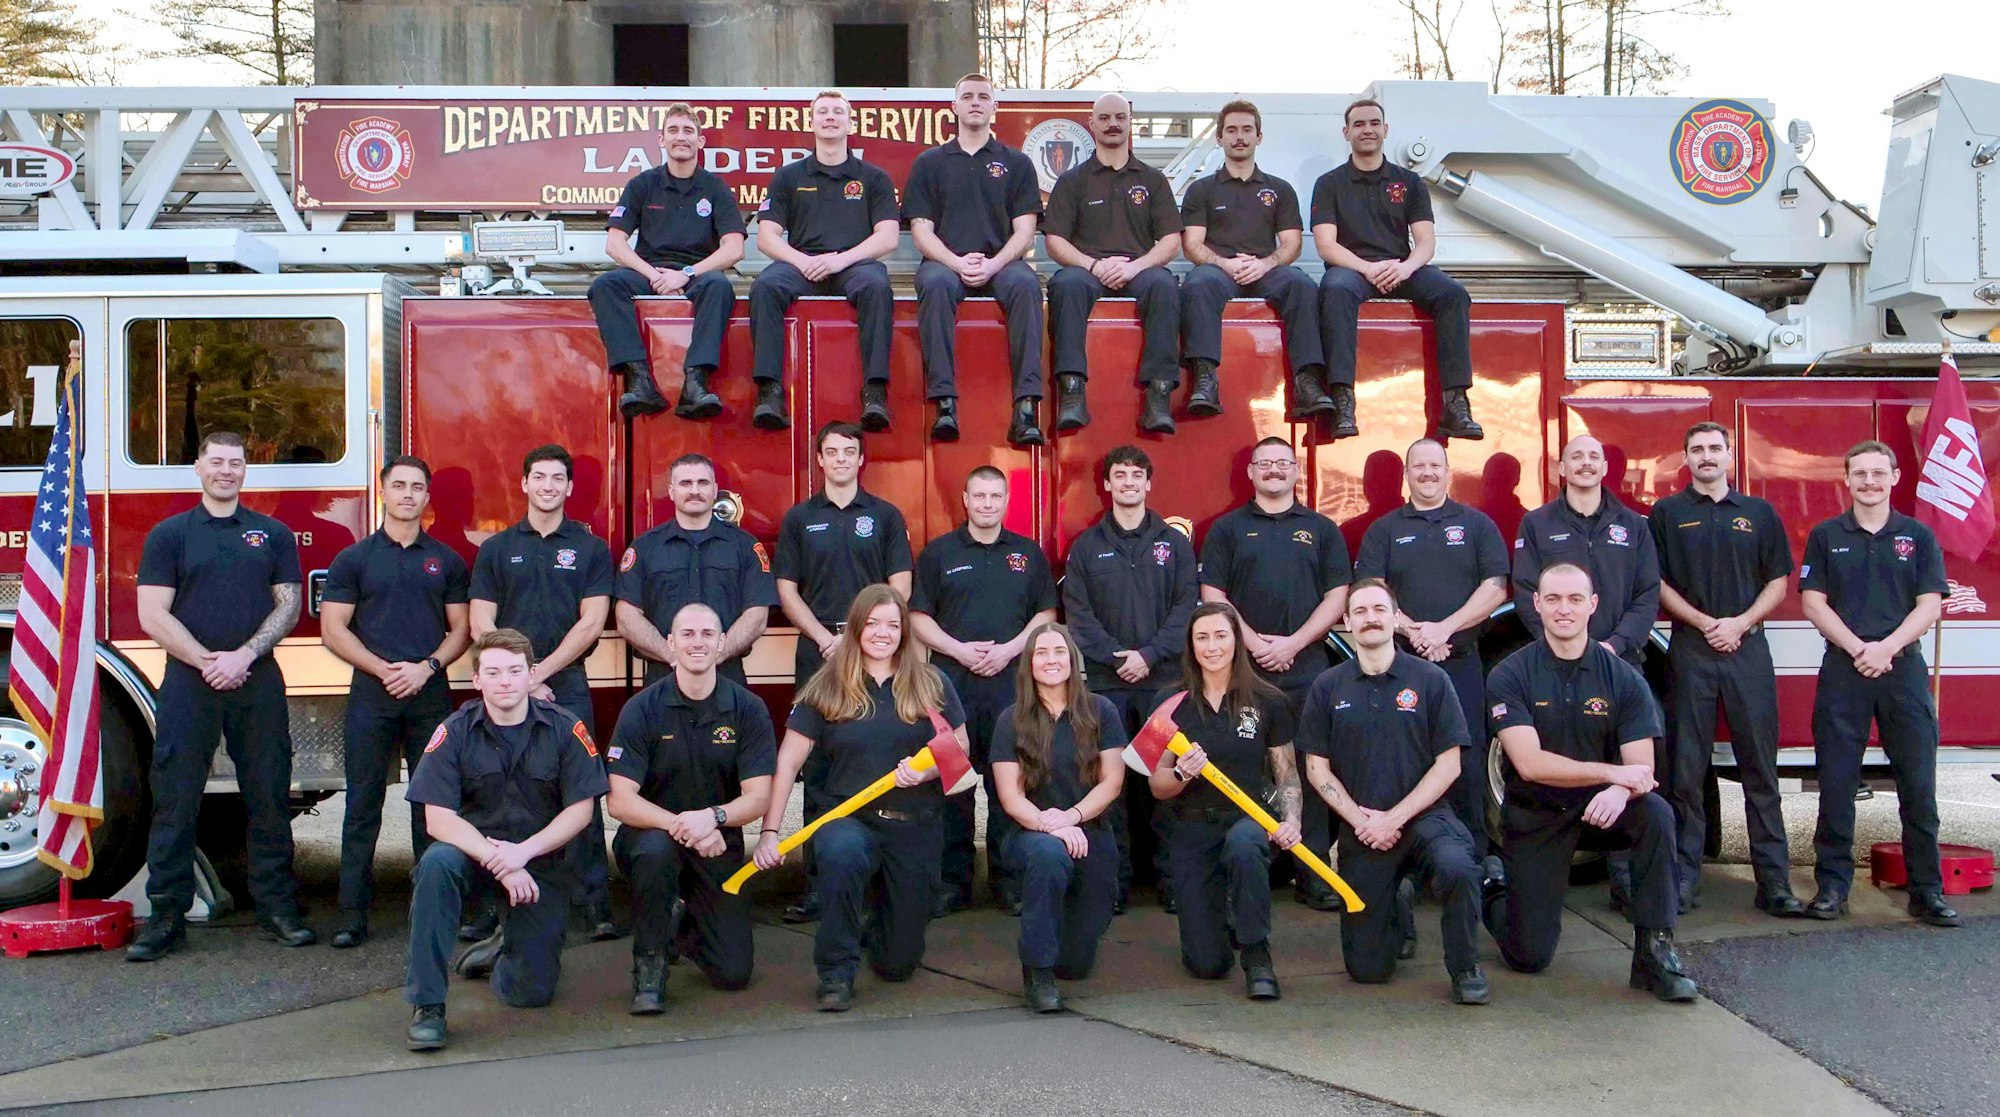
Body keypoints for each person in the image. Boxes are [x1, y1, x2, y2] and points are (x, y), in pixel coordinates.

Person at [128, 431, 315, 961]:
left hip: (256, 679)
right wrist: (206, 660)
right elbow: (152, 614)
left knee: (269, 795)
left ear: (245, 471)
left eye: (236, 463)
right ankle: (166, 915)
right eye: (217, 462)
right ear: (198, 468)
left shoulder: (271, 533)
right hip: (190, 682)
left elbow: (288, 606)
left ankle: (277, 908)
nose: (226, 471)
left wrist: (243, 657)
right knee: (175, 797)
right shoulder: (171, 535)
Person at [1482, 563, 1697, 1002]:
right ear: (1537, 604)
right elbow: (1529, 764)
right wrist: (1610, 774)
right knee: (1529, 957)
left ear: (1593, 605)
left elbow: (1641, 768)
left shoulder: (1623, 678)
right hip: (1536, 812)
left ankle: (1655, 954)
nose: (1565, 610)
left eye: (1575, 599)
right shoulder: (1510, 674)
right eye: (1554, 600)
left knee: (1656, 814)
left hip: (1601, 807)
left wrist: (1620, 788)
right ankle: (1495, 886)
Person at [753, 585, 970, 1013]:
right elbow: (789, 762)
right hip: (848, 820)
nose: (882, 633)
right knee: (841, 853)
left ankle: (875, 919)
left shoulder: (931, 683)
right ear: (855, 628)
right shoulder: (828, 684)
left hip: (913, 826)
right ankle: (836, 972)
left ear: (905, 632)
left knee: (897, 964)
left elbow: (960, 751)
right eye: (872, 624)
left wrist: (925, 771)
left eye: (892, 625)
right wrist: (770, 833)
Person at [401, 629, 608, 1051]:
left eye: (515, 671)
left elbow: (581, 811)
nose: (505, 681)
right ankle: (428, 1006)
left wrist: (523, 854)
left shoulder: (565, 728)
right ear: (477, 680)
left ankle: (503, 949)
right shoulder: (455, 731)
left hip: (537, 862)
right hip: (473, 857)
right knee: (437, 865)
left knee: (530, 993)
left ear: (532, 675)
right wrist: (499, 858)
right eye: (493, 672)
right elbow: (437, 818)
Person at [1298, 579, 1489, 1004]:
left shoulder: (1431, 679)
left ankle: (1465, 966)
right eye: (1360, 612)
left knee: (1458, 867)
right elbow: (1316, 767)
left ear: (1395, 619)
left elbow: (1450, 764)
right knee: (1368, 971)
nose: (1370, 618)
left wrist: (1394, 818)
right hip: (1362, 825)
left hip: (1424, 817)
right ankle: (1397, 900)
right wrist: (1362, 820)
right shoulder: (1327, 687)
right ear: (1346, 622)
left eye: (1380, 610)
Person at [1799, 441, 1959, 928]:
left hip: (1903, 671)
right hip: (1845, 670)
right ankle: (1832, 888)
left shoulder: (1918, 536)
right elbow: (1812, 602)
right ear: (1846, 480)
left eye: (1878, 473)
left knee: (1918, 785)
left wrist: (1886, 648)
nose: (1869, 482)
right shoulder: (1827, 535)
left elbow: (1930, 604)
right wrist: (1859, 649)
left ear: (1894, 478)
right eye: (1859, 474)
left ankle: (1926, 891)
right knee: (1837, 782)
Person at [319, 455, 472, 949]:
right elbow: (333, 628)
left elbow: (462, 629)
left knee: (433, 806)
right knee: (363, 805)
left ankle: (431, 911)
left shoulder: (446, 560)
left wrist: (426, 667)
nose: (409, 494)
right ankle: (351, 916)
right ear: (383, 492)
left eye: (417, 487)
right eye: (399, 485)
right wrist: (382, 669)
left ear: (428, 498)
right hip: (372, 693)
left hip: (429, 695)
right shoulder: (355, 559)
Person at [1648, 422, 1800, 917]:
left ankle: (1774, 882)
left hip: (1748, 652)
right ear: (1686, 459)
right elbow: (1657, 582)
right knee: (1686, 771)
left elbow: (1778, 580)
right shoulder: (1668, 514)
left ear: (1731, 456)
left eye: (1716, 448)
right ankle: (1685, 875)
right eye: (1698, 450)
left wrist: (1739, 623)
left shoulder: (1758, 513)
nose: (1707, 456)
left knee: (1760, 770)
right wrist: (1705, 623)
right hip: (1691, 651)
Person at [470, 443, 619, 942]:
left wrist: (541, 674)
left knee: (582, 790)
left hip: (567, 684)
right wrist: (516, 675)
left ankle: (592, 901)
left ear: (570, 488)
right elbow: (480, 620)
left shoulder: (593, 549)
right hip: (506, 686)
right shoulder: (496, 549)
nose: (548, 485)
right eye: (539, 477)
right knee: (499, 791)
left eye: (558, 478)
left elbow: (592, 622)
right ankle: (496, 900)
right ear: (524, 484)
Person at [1198, 435, 1349, 909]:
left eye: (1284, 463)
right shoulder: (1227, 530)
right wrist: (1254, 642)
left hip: (1307, 671)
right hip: (1246, 671)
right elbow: (1212, 591)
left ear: (1296, 471)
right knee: (1245, 766)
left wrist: (1294, 643)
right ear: (1251, 472)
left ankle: (1314, 875)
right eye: (1265, 463)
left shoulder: (1322, 529)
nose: (1275, 470)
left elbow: (1338, 596)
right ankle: (1249, 871)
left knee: (1312, 769)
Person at [773, 422, 914, 925]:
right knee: (819, 769)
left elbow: (900, 586)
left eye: (848, 452)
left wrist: (860, 637)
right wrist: (824, 639)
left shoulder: (884, 516)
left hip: (875, 651)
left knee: (879, 757)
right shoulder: (798, 518)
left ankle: (882, 880)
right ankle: (819, 884)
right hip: (819, 653)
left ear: (861, 460)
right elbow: (787, 589)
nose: (839, 459)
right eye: (830, 451)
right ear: (819, 459)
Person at [607, 604, 776, 1012]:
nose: (697, 642)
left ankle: (682, 919)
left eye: (706, 634)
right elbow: (619, 800)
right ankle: (649, 966)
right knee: (655, 853)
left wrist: (713, 818)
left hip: (718, 842)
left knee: (732, 973)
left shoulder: (748, 709)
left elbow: (758, 797)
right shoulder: (641, 709)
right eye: (687, 634)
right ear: (670, 643)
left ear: (722, 643)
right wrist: (684, 825)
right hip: (651, 837)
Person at [911, 466, 1058, 914]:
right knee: (951, 783)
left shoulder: (1028, 555)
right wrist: (958, 650)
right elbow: (918, 618)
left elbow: (1046, 614)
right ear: (966, 500)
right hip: (952, 688)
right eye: (980, 496)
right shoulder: (939, 553)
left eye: (996, 496)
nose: (988, 503)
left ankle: (1007, 881)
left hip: (1011, 689)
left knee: (1010, 781)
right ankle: (951, 882)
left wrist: (1011, 649)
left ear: (1007, 500)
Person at [1355, 438, 1510, 855]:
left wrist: (1445, 629)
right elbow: (1371, 591)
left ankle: (1470, 857)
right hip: (1399, 666)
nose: (1427, 473)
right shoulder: (1384, 530)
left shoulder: (1477, 525)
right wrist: (1414, 632)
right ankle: (1402, 860)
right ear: (1407, 474)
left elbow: (1495, 587)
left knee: (1465, 761)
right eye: (1418, 466)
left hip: (1460, 663)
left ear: (1447, 471)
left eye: (1434, 465)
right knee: (1400, 761)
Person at [1062, 445, 1199, 909]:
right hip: (1107, 689)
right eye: (1119, 475)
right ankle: (1113, 886)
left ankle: (1172, 884)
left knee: (1167, 784)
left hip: (1163, 686)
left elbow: (1186, 607)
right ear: (1107, 484)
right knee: (1110, 785)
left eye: (1136, 475)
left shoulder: (1174, 544)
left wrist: (1151, 653)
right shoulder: (1086, 546)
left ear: (1148, 483)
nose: (1127, 483)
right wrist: (1117, 658)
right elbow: (1077, 616)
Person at [1146, 602, 1301, 1000]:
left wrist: (1292, 820)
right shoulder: (1171, 703)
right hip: (1192, 828)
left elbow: (1286, 773)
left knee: (1246, 847)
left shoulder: (1269, 700)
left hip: (1246, 819)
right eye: (1202, 638)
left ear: (1236, 641)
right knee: (1207, 965)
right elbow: (1157, 785)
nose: (1211, 646)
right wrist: (1182, 773)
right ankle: (1225, 919)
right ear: (1191, 645)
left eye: (1220, 636)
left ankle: (1257, 954)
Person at [1310, 98, 1481, 441]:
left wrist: (1405, 269)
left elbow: (1426, 244)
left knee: (1452, 294)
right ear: (1346, 133)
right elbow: (1326, 245)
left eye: (1374, 123)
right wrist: (1367, 269)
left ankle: (1455, 404)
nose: (1367, 130)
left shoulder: (1410, 182)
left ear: (1385, 130)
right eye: (1358, 124)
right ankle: (1343, 399)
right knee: (1334, 290)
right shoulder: (1329, 183)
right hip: (1352, 269)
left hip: (1402, 267)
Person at [989, 622, 1127, 1012]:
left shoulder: (1102, 711)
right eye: (1042, 654)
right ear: (1029, 664)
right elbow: (1010, 796)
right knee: (1048, 857)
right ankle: (1038, 973)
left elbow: (1112, 781)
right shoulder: (1010, 719)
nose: (1051, 660)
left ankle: (1059, 954)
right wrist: (1052, 827)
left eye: (1059, 652)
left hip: (1089, 829)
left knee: (1077, 964)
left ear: (1073, 659)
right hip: (1030, 834)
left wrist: (1072, 817)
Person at [904, 73, 1045, 444]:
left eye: (984, 96)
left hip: (1003, 263)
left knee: (1028, 285)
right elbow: (921, 230)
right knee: (933, 284)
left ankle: (1026, 408)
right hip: (944, 262)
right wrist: (956, 263)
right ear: (954, 107)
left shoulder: (1017, 164)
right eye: (967, 96)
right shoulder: (929, 163)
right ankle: (944, 404)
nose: (975, 102)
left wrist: (994, 264)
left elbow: (1025, 230)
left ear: (995, 108)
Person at [749, 89, 900, 431]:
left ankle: (875, 392)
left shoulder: (874, 178)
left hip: (855, 265)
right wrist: (801, 262)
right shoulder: (788, 176)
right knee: (765, 287)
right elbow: (767, 237)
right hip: (802, 265)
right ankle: (769, 392)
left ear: (851, 122)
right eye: (823, 112)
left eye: (837, 112)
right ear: (812, 121)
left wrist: (840, 261)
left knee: (877, 286)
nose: (830, 117)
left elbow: (888, 237)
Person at [589, 101, 746, 420]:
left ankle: (696, 382)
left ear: (700, 142)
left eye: (688, 131)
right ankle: (639, 380)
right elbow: (614, 244)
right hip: (650, 270)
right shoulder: (642, 185)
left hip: (698, 272)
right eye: (673, 130)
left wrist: (686, 274)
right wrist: (656, 276)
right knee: (604, 286)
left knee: (719, 285)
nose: (681, 137)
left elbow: (734, 249)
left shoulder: (715, 188)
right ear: (661, 139)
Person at [1043, 92, 1185, 434]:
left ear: (1129, 123)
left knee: (1165, 285)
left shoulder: (1153, 180)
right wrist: (1092, 266)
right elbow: (1054, 241)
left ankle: (1158, 395)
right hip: (1088, 271)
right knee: (1065, 284)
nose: (1113, 124)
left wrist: (1135, 267)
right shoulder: (1072, 181)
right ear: (1091, 124)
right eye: (1104, 118)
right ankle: (1073, 391)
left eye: (1120, 117)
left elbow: (1171, 241)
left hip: (1139, 269)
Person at [1179, 100, 1329, 422]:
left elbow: (1291, 244)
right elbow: (1192, 245)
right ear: (1219, 138)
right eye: (1231, 130)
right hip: (1219, 270)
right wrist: (1226, 264)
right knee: (1198, 283)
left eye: (1247, 130)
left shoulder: (1280, 190)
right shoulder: (1201, 190)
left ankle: (1308, 382)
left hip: (1266, 270)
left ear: (1260, 136)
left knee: (1302, 285)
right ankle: (1205, 380)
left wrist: (1265, 264)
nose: (1239, 137)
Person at [615, 453, 776, 686]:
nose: (694, 490)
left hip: (726, 678)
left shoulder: (745, 546)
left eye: (702, 483)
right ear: (671, 491)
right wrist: (672, 656)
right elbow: (626, 616)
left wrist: (713, 657)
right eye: (685, 483)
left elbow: (757, 615)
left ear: (715, 489)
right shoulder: (645, 548)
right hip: (663, 678)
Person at [1512, 435, 1660, 670]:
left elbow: (1647, 593)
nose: (1585, 463)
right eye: (1576, 456)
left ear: (1604, 468)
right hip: (1555, 662)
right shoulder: (1535, 524)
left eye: (1593, 457)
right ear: (1562, 468)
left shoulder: (1634, 526)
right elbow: (1526, 591)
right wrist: (1562, 646)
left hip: (1621, 661)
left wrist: (1615, 644)